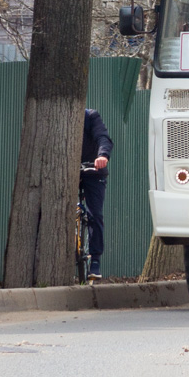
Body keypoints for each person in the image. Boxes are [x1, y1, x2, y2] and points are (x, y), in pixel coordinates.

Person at [80, 107, 113, 279]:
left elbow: (103, 138)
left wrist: (103, 156)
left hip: (93, 170)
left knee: (95, 214)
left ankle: (95, 261)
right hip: (69, 170)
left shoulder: (90, 117)